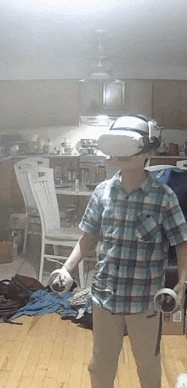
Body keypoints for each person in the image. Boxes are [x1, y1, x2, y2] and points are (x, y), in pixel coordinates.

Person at [54, 114, 187, 388]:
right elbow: (87, 238)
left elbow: (181, 242)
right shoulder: (103, 192)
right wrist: (66, 269)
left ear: (149, 151)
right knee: (101, 364)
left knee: (148, 365)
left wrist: (182, 284)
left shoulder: (163, 197)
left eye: (131, 147)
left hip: (145, 301)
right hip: (104, 297)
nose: (122, 155)